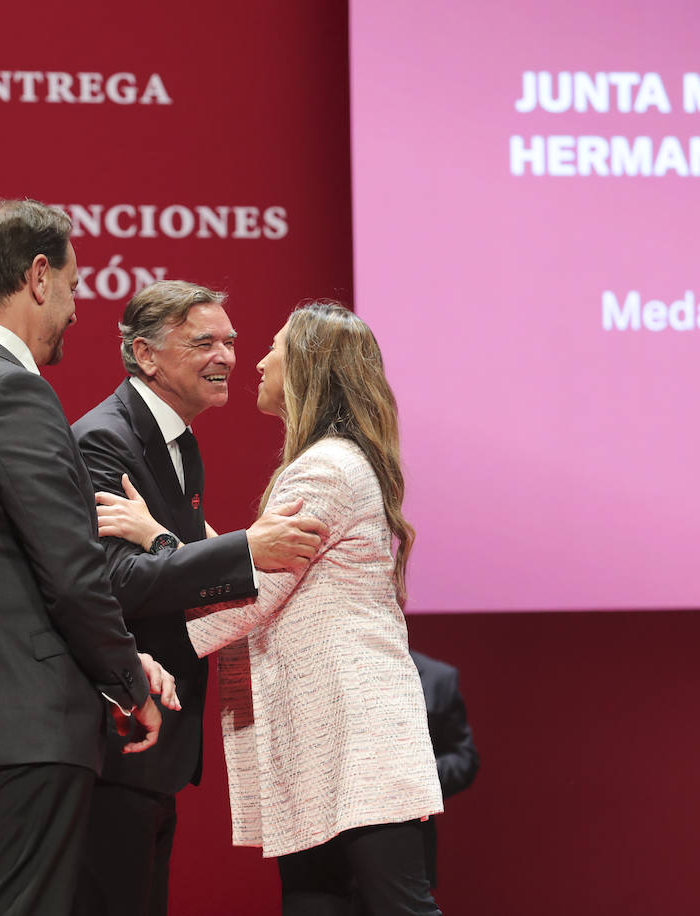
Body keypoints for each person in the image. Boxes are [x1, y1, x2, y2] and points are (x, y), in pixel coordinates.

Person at [98, 302, 443, 915]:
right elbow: (251, 568)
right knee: (321, 903)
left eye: (274, 347)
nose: (253, 361)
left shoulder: (325, 470)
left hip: (351, 737)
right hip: (330, 735)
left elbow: (249, 595)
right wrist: (189, 539)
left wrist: (154, 540)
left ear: (308, 366)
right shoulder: (326, 462)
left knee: (396, 908)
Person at [0, 199, 177, 916]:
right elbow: (71, 571)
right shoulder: (11, 390)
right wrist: (126, 681)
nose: (79, 310)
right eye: (77, 286)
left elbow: (5, 567)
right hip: (30, 721)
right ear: (39, 276)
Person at [70, 280, 327, 916]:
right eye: (203, 343)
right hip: (119, 727)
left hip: (160, 738)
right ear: (145, 355)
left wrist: (177, 541)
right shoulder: (105, 439)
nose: (228, 358)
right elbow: (114, 583)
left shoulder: (179, 440)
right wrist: (245, 550)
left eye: (232, 342)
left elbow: (169, 563)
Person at [408, 649, 480, 889]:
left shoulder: (439, 678)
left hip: (410, 840)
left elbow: (464, 759)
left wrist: (420, 771)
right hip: (328, 851)